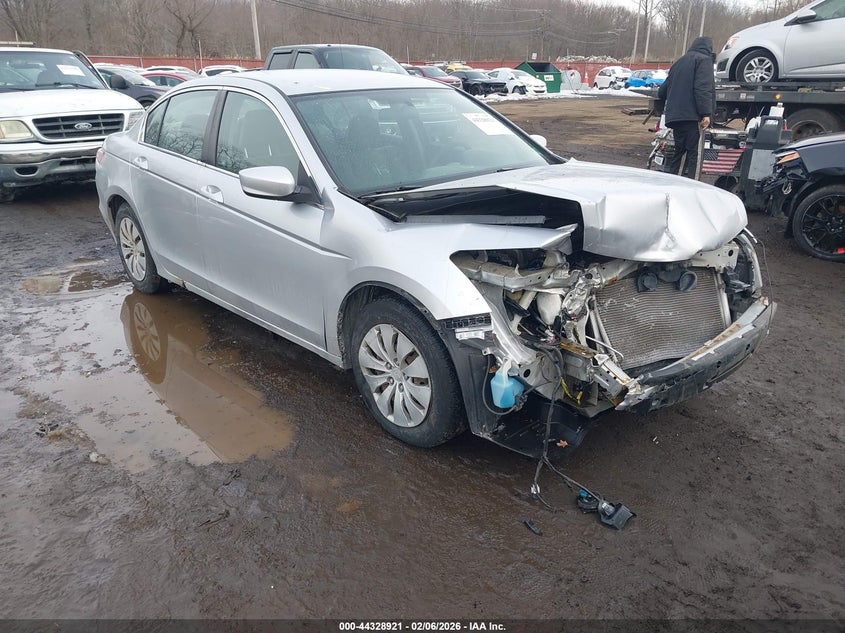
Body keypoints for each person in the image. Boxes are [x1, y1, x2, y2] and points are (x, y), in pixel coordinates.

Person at [657, 36, 716, 178]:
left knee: (679, 152)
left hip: (676, 117)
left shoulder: (679, 62)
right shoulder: (704, 60)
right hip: (692, 116)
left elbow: (662, 92)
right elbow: (702, 88)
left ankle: (673, 180)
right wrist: (706, 113)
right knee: (693, 153)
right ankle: (690, 183)